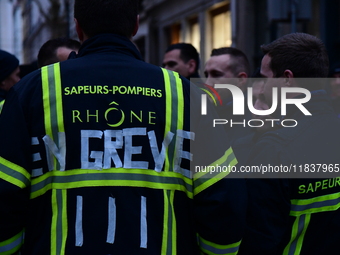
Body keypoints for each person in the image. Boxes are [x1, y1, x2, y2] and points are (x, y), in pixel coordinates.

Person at [0, 0, 246, 254]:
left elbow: (5, 192)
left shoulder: (33, 91)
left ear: (78, 28)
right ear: (136, 25)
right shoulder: (185, 94)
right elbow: (223, 198)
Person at [239, 33, 340, 254]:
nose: (262, 88)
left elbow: (259, 241)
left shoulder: (273, 148)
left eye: (265, 78)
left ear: (287, 78)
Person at [204, 47, 252, 141]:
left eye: (216, 75)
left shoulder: (256, 120)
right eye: (207, 75)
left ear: (241, 79)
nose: (207, 83)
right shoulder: (206, 115)